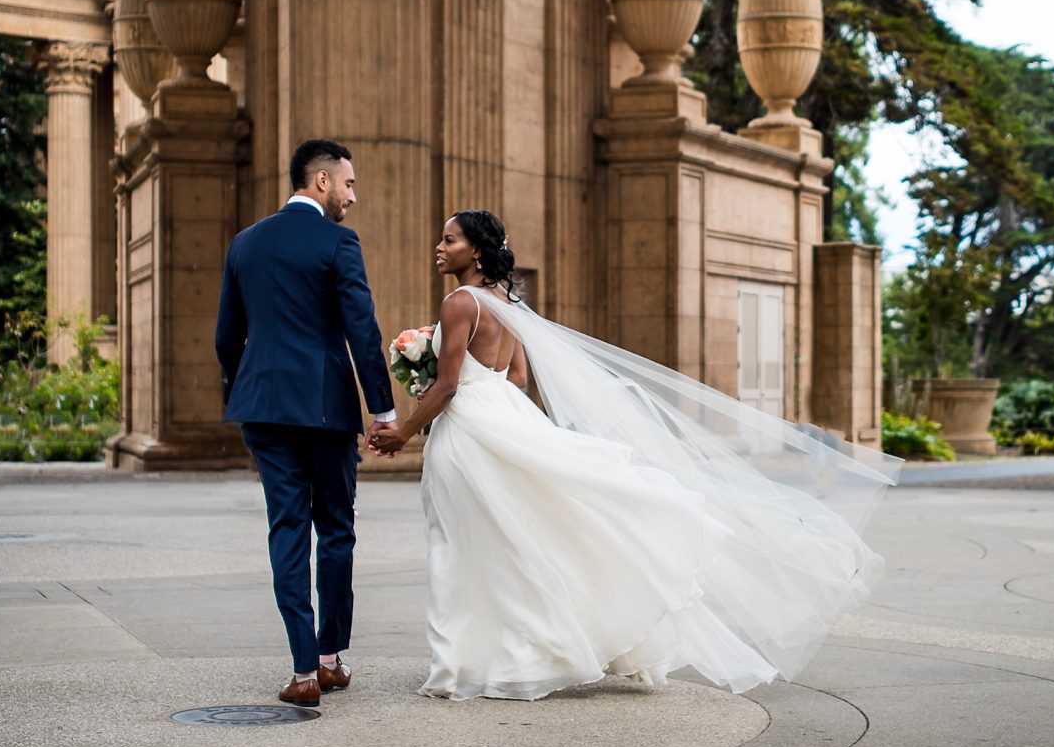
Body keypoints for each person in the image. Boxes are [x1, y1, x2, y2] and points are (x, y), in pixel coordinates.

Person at [367, 210, 898, 702]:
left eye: (450, 239)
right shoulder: (508, 306)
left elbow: (451, 386)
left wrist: (404, 431)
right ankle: (523, 652)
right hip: (507, 417)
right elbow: (522, 379)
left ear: (476, 253)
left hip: (472, 432)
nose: (439, 246)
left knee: (464, 544)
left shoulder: (461, 303)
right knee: (521, 538)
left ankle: (472, 660)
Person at [216, 138, 396, 706]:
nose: (353, 195)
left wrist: (244, 389)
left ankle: (300, 672)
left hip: (262, 409)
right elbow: (361, 331)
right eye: (348, 183)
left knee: (286, 528)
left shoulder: (245, 244)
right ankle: (329, 659)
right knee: (336, 529)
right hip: (324, 409)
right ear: (320, 182)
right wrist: (383, 411)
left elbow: (226, 338)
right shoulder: (338, 242)